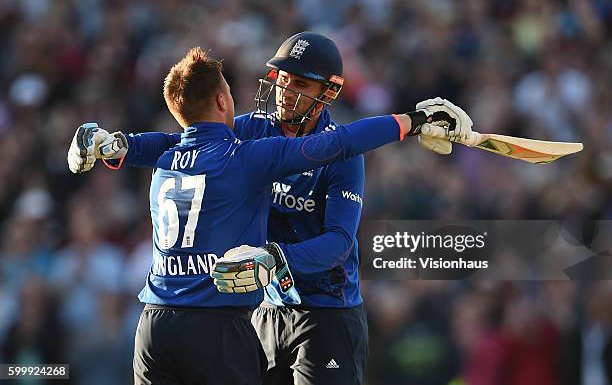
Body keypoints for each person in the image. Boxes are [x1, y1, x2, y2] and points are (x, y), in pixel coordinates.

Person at [67, 39, 473, 384]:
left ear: (329, 92)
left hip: (325, 313)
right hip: (263, 310)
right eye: (281, 79)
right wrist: (119, 145)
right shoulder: (251, 130)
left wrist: (277, 258)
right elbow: (184, 142)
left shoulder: (344, 155)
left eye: (299, 83)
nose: (284, 91)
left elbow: (338, 243)